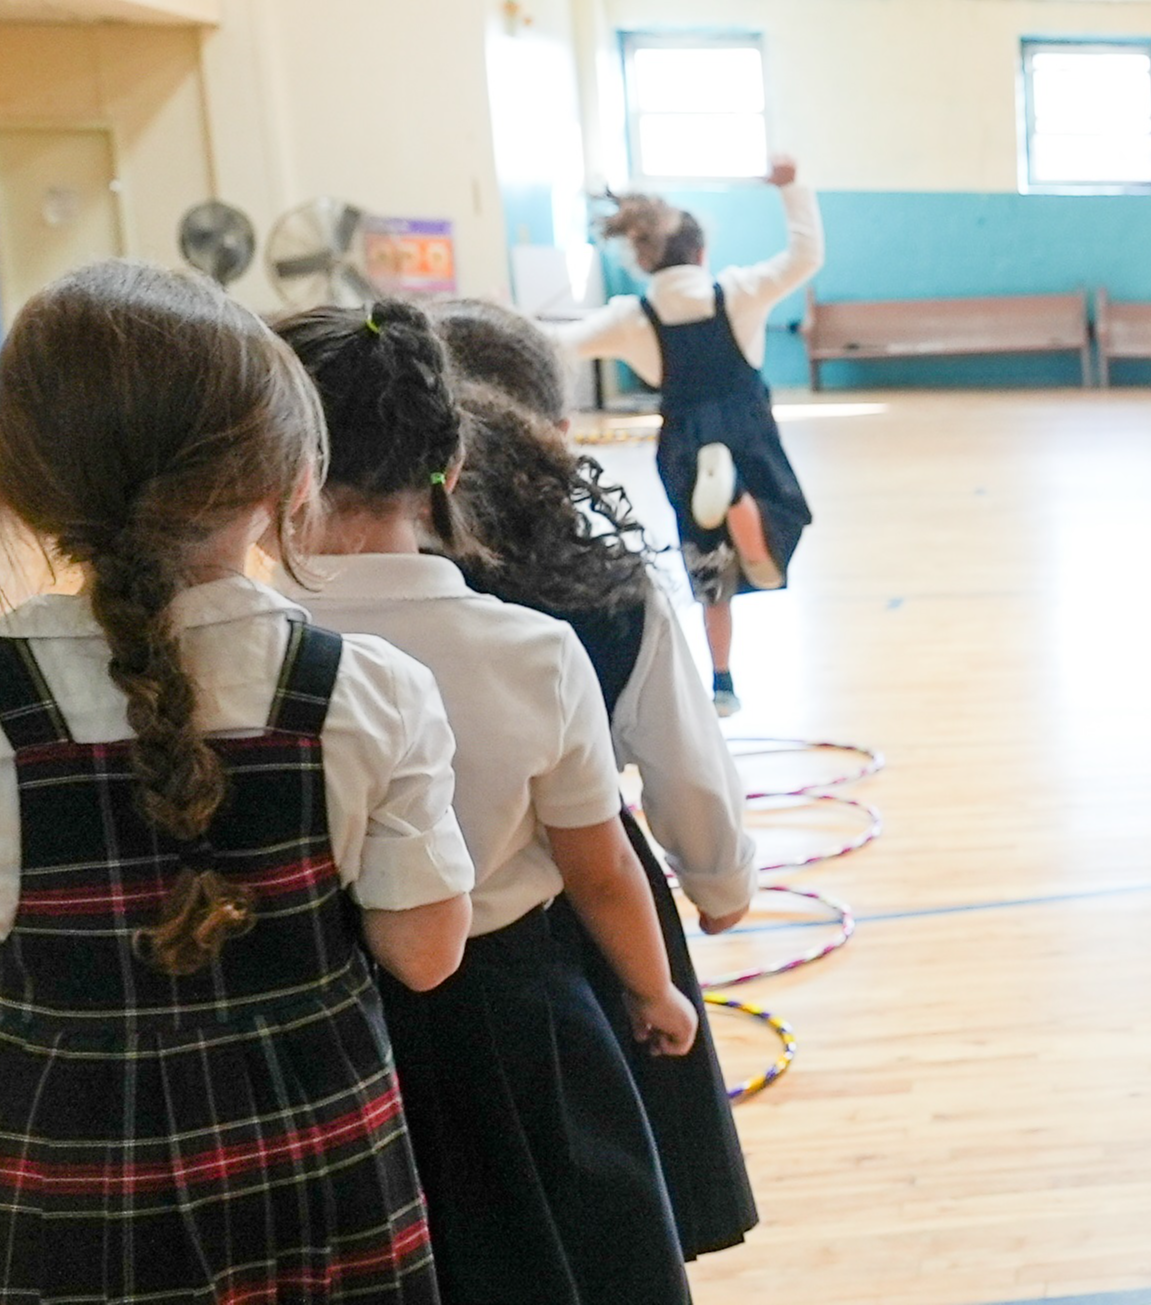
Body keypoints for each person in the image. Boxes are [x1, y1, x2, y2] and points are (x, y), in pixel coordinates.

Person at [0, 260, 474, 1303]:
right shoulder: (368, 690)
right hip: (322, 1192)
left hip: (66, 1209)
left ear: (16, 480)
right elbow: (425, 956)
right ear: (287, 478)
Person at [278, 300, 705, 1305]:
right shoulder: (529, 650)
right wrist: (653, 992)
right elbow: (599, 868)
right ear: (450, 468)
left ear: (277, 469)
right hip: (512, 1026)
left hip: (312, 1035)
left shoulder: (236, 648)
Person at [432, 295, 765, 1255]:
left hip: (390, 941)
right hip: (580, 926)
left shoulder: (346, 596)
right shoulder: (607, 587)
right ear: (556, 432)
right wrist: (720, 883)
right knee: (607, 1208)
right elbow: (683, 767)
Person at [559, 156, 822, 717]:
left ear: (647, 256)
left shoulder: (635, 315)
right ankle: (742, 510)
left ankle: (723, 683)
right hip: (746, 430)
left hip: (682, 440)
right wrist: (792, 188)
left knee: (707, 569)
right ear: (701, 253)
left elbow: (560, 343)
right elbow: (806, 256)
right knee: (786, 515)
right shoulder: (738, 292)